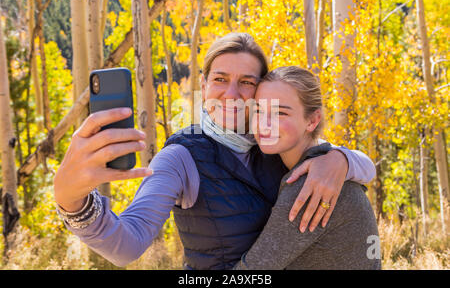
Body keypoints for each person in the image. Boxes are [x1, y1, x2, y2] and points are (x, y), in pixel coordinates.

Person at [53, 33, 376, 269]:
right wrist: (72, 201)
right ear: (204, 84)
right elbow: (127, 245)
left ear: (262, 90)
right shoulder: (181, 156)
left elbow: (365, 167)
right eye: (220, 79)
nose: (232, 94)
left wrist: (340, 159)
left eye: (247, 82)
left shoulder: (273, 141)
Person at [233, 66, 381, 270]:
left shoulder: (309, 186)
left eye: (280, 113)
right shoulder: (326, 166)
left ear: (312, 120)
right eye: (258, 110)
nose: (264, 124)